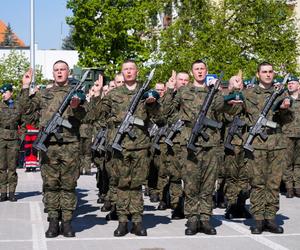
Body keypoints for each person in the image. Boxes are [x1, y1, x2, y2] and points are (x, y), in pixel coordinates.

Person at [164, 59, 240, 235]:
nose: (199, 72)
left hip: (211, 143)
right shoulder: (184, 91)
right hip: (190, 142)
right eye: (196, 69)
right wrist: (169, 89)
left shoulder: (213, 91)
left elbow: (225, 109)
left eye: (202, 69)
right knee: (190, 183)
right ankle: (192, 219)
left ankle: (205, 218)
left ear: (207, 71)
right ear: (192, 73)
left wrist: (219, 90)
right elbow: (166, 111)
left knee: (208, 183)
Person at [20, 61, 86, 238]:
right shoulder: (44, 94)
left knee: (68, 185)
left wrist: (76, 106)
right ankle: (53, 222)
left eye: (62, 70)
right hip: (49, 146)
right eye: (56, 70)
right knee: (50, 185)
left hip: (70, 145)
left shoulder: (77, 94)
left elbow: (86, 116)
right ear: (53, 73)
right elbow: (26, 112)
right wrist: (25, 87)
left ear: (68, 72)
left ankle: (67, 222)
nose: (59, 73)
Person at [97, 59, 160, 237]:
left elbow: (159, 117)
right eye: (126, 69)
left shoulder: (146, 93)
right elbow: (98, 114)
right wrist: (99, 95)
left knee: (137, 184)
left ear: (137, 71)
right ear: (122, 72)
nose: (129, 72)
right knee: (122, 184)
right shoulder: (114, 94)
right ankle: (123, 221)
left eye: (132, 69)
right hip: (120, 147)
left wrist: (152, 103)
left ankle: (138, 221)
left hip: (140, 146)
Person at [243, 62, 289, 234]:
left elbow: (288, 119)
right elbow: (236, 114)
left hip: (276, 144)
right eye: (264, 72)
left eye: (270, 72)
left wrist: (284, 108)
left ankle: (270, 218)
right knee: (257, 183)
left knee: (274, 183)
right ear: (258, 74)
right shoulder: (248, 93)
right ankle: (258, 219)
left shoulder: (281, 94)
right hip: (257, 146)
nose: (268, 74)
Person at [278, 75, 300, 198]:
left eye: (293, 83)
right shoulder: (283, 99)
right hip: (286, 134)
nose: (290, 85)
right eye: (289, 83)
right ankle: (289, 187)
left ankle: (298, 186)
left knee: (298, 162)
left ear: (298, 85)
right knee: (287, 162)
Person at [0, 83, 22, 202]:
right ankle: (3, 192)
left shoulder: (18, 106)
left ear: (11, 92)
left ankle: (12, 192)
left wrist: (21, 137)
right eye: (2, 93)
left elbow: (23, 124)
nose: (3, 95)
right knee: (1, 167)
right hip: (1, 138)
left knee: (12, 168)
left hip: (13, 139)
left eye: (5, 92)